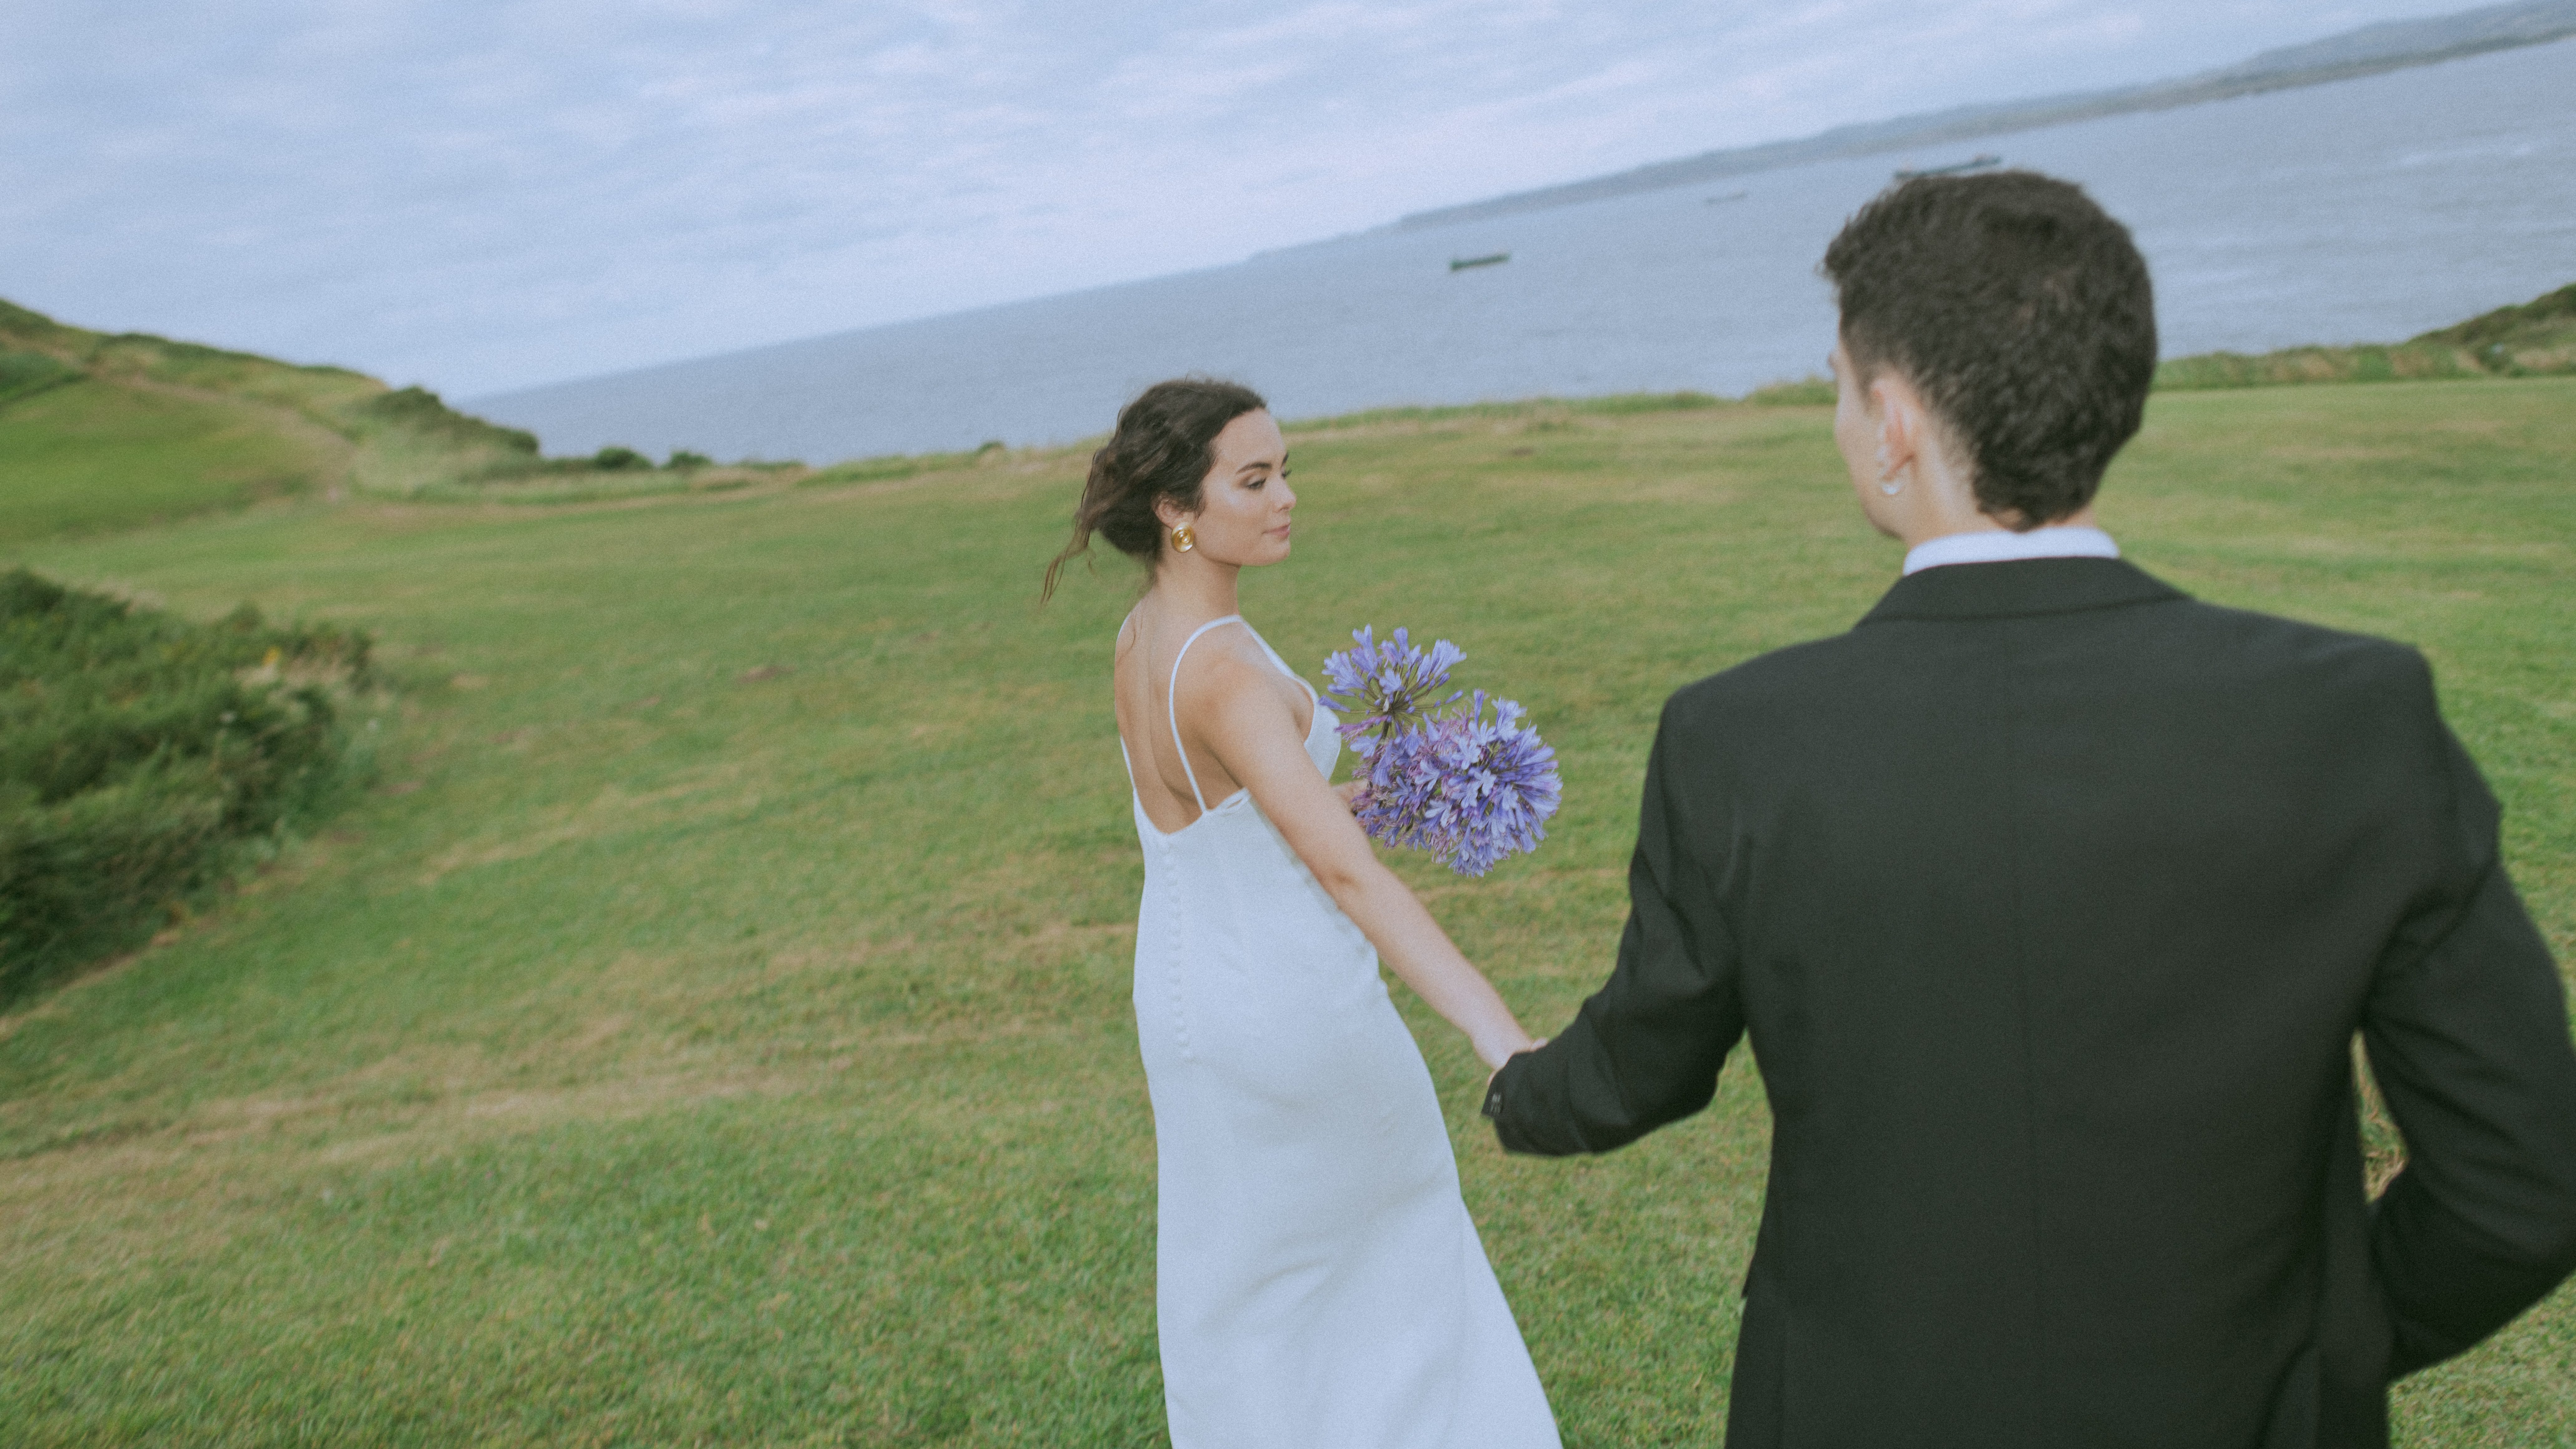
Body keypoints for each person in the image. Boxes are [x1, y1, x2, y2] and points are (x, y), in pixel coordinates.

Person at [1481, 172, 2576, 1448]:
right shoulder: (2354, 718)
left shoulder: (1742, 741)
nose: (1838, 419)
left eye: (1838, 383)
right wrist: (2320, 1341)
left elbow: (1638, 1067)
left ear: (1892, 419)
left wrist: (1518, 1093)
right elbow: (2523, 1183)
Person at [1043, 378, 1560, 1448]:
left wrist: (1398, 786)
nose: (1287, 496)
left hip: (1192, 1011)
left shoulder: (1146, 637)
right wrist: (1494, 1029)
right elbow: (1348, 878)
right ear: (1178, 509)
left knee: (1251, 1294)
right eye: (1256, 477)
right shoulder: (1227, 671)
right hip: (1290, 1005)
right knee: (1403, 1259)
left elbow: (1224, 809)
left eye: (1286, 471)